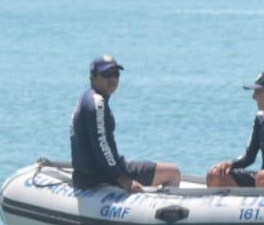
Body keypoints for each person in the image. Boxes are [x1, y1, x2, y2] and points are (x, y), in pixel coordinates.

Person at [69, 54, 180, 192]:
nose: (113, 79)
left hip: (85, 176)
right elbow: (101, 146)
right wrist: (123, 179)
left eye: (116, 74)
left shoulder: (86, 99)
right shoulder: (97, 104)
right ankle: (167, 211)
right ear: (92, 77)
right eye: (106, 74)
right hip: (103, 176)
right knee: (173, 173)